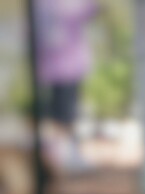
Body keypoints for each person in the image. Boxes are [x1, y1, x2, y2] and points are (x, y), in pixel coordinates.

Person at [36, 0, 99, 172]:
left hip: (60, 66)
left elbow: (92, 9)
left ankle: (64, 154)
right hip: (61, 67)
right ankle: (63, 155)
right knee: (63, 113)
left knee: (64, 112)